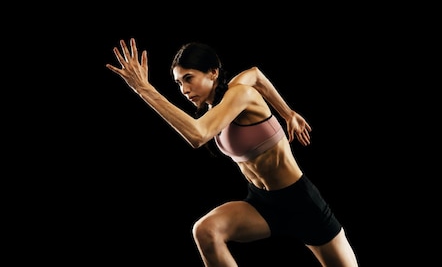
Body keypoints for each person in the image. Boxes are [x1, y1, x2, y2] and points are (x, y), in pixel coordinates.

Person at [106, 38, 358, 267]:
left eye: (189, 78)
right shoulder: (217, 107)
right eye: (178, 82)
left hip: (300, 202)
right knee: (206, 230)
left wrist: (144, 90)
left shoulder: (239, 93)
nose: (183, 89)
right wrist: (287, 113)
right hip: (262, 203)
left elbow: (197, 135)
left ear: (213, 72)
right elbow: (257, 75)